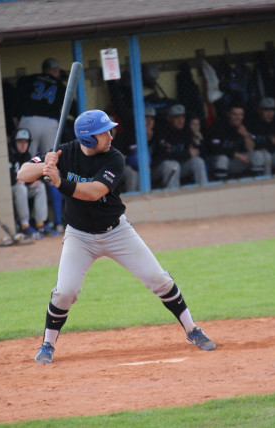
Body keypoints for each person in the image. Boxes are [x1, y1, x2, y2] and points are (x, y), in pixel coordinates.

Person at [17, 110, 216, 364]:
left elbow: (93, 192)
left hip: (117, 232)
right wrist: (43, 165)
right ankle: (47, 345)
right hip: (80, 236)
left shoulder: (114, 158)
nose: (110, 136)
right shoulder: (65, 152)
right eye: (104, 132)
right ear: (88, 139)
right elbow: (22, 173)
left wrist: (58, 181)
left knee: (158, 278)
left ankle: (192, 330)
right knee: (65, 292)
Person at [16, 58, 73, 232]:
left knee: (28, 164)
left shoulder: (28, 80)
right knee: (51, 166)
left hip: (29, 121)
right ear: (54, 71)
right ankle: (57, 221)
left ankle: (28, 222)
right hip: (50, 123)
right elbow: (72, 109)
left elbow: (16, 103)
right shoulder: (60, 84)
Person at [8, 128, 56, 238]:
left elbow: (35, 175)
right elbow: (11, 179)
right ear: (14, 142)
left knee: (40, 187)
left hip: (23, 188)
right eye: (20, 142)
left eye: (26, 142)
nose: (23, 145)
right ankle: (25, 225)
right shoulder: (8, 155)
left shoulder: (27, 156)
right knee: (21, 188)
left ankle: (41, 224)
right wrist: (22, 182)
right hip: (10, 191)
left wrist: (31, 182)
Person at [151, 104, 208, 188]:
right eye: (177, 118)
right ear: (169, 118)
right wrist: (187, 154)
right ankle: (173, 194)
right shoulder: (161, 132)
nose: (181, 121)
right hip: (158, 169)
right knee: (173, 165)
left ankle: (204, 191)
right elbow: (163, 157)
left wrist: (200, 142)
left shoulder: (186, 130)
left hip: (179, 166)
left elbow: (199, 153)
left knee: (198, 162)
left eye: (182, 117)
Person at [206, 104, 266, 179]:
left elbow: (251, 149)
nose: (238, 118)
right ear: (228, 114)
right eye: (235, 114)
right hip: (217, 161)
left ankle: (258, 184)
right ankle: (222, 187)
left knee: (258, 155)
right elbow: (216, 149)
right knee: (222, 159)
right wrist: (236, 154)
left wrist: (246, 135)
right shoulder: (219, 126)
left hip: (235, 161)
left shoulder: (243, 126)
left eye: (241, 115)